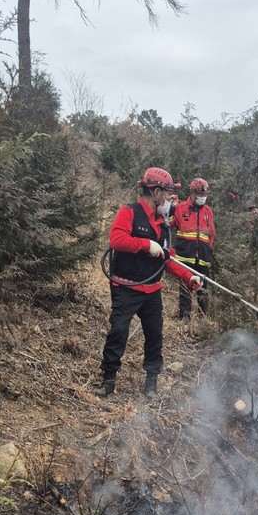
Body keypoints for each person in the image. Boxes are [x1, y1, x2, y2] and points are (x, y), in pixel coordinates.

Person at [94, 167, 202, 400]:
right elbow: (117, 240)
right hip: (126, 287)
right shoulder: (129, 212)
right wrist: (145, 245)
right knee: (118, 332)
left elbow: (168, 258)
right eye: (169, 194)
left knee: (154, 336)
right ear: (156, 192)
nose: (172, 201)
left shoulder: (163, 224)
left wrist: (188, 277)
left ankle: (151, 381)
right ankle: (108, 379)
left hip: (152, 290)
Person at [172, 177, 216, 319]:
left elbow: (212, 233)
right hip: (185, 257)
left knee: (203, 289)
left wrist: (208, 249)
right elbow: (169, 223)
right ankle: (184, 317)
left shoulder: (208, 211)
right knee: (185, 288)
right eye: (200, 194)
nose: (203, 197)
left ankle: (203, 317)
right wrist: (170, 208)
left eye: (205, 194)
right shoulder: (181, 208)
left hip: (203, 257)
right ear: (192, 193)